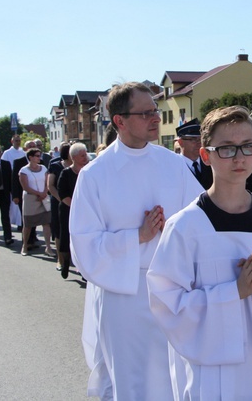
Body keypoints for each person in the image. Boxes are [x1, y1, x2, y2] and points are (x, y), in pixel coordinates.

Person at [147, 105, 252, 399]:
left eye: (247, 147)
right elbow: (167, 303)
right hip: (212, 373)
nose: (239, 157)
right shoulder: (185, 227)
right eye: (226, 148)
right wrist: (234, 292)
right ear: (205, 155)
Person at [69, 82, 203, 400]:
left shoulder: (177, 166)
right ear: (119, 121)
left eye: (155, 111)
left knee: (173, 378)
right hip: (123, 295)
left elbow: (201, 220)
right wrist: (137, 237)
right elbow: (85, 245)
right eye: (145, 113)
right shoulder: (95, 175)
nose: (155, 118)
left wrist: (177, 229)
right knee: (131, 381)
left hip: (172, 289)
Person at [57, 142, 89, 279]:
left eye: (85, 154)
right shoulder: (65, 173)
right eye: (82, 155)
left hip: (86, 212)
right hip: (68, 210)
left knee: (83, 239)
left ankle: (83, 270)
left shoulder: (88, 171)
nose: (85, 157)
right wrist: (76, 207)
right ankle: (65, 262)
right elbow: (62, 194)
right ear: (74, 157)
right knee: (66, 237)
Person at [18, 148, 53, 256]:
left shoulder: (43, 168)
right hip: (30, 199)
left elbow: (48, 182)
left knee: (46, 222)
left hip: (43, 197)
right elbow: (25, 187)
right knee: (28, 224)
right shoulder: (23, 171)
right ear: (30, 157)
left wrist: (44, 193)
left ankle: (48, 247)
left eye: (39, 155)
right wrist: (38, 193)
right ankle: (25, 245)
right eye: (37, 156)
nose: (39, 158)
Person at [47, 143, 71, 271]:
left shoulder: (77, 167)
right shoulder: (55, 165)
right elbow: (50, 186)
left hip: (73, 204)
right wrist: (61, 199)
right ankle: (60, 259)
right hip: (59, 203)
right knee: (59, 232)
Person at [176, 118, 213, 189]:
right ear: (181, 142)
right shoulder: (175, 167)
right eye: (193, 139)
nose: (199, 143)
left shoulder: (209, 164)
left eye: (200, 139)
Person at [2, 134, 26, 228]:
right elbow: (4, 167)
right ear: (12, 141)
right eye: (16, 140)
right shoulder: (7, 153)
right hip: (12, 179)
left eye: (19, 140)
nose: (18, 142)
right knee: (14, 204)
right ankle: (16, 222)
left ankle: (21, 223)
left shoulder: (23, 152)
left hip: (21, 178)